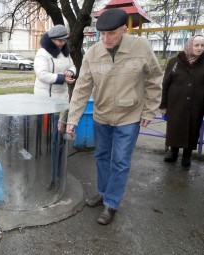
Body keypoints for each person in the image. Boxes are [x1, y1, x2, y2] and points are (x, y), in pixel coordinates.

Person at [66, 8, 163, 225]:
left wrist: (149, 109)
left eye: (111, 33)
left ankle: (111, 203)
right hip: (102, 115)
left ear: (124, 30)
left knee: (120, 161)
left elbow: (155, 79)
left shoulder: (141, 48)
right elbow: (82, 88)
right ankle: (103, 192)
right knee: (101, 157)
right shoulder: (93, 53)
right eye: (102, 34)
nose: (106, 38)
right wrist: (72, 119)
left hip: (130, 117)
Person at [159, 35, 204, 167]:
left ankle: (187, 155)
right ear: (190, 45)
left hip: (197, 105)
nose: (200, 48)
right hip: (176, 104)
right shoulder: (175, 62)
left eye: (202, 45)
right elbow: (165, 84)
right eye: (196, 45)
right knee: (175, 129)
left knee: (192, 129)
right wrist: (164, 104)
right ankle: (173, 152)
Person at [34, 24, 76, 133]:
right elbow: (42, 74)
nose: (62, 43)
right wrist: (62, 78)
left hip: (62, 95)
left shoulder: (65, 52)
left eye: (64, 40)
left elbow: (72, 66)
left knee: (59, 130)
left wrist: (70, 72)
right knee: (47, 131)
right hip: (46, 97)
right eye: (59, 41)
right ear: (51, 39)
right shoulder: (42, 53)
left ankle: (58, 149)